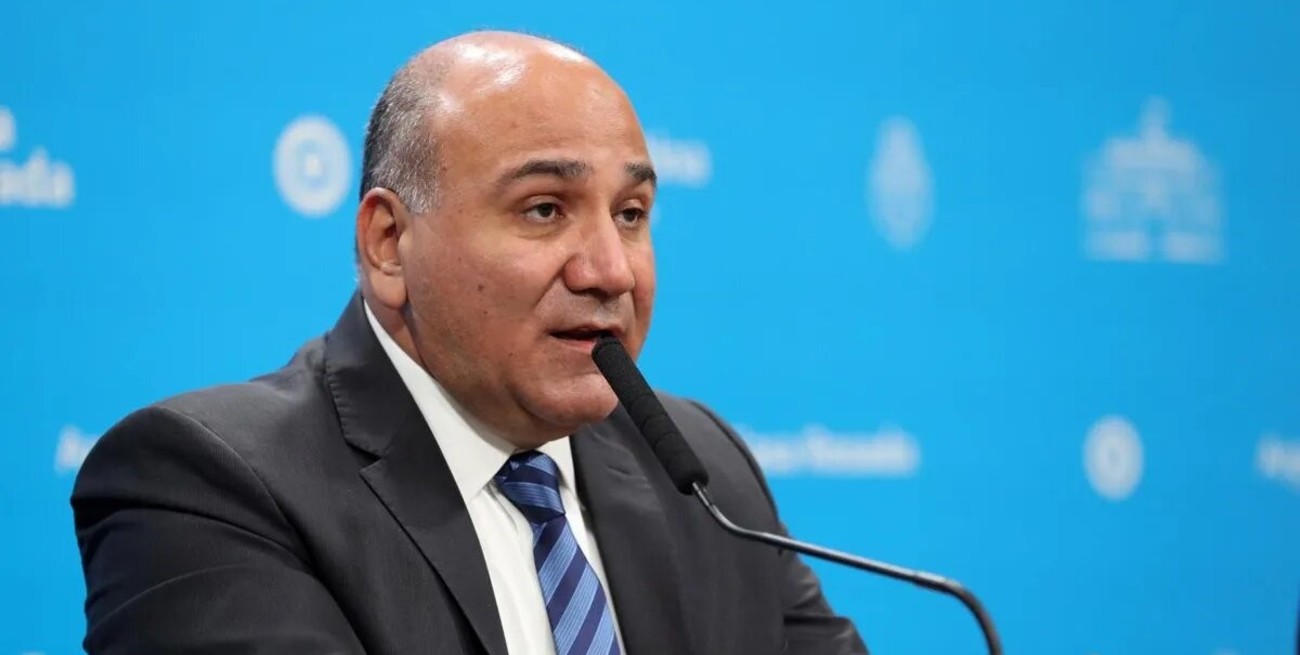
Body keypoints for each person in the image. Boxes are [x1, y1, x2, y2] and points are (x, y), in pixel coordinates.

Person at [71, 30, 868, 655]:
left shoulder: (703, 471)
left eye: (630, 214)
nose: (610, 270)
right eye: (544, 209)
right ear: (389, 244)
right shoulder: (208, 484)